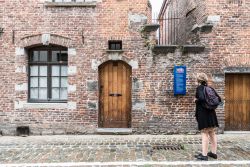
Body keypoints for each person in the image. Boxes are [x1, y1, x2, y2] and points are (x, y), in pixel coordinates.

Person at [194, 73, 221, 161]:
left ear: (198, 80)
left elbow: (201, 98)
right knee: (212, 133)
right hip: (211, 113)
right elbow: (219, 99)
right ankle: (213, 153)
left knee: (204, 133)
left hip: (203, 114)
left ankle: (204, 155)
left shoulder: (199, 88)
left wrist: (196, 100)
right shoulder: (210, 88)